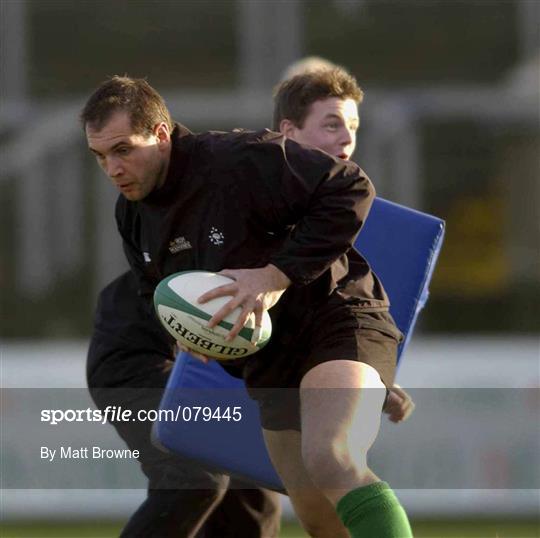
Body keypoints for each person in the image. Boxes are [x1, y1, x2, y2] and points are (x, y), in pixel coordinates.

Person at [82, 75, 412, 537]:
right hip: (268, 364)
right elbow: (156, 289)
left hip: (336, 321)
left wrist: (274, 275)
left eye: (123, 150)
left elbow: (352, 189)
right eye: (100, 157)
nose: (112, 169)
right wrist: (185, 330)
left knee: (332, 458)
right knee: (317, 515)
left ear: (159, 134)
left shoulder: (236, 158)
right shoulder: (132, 213)